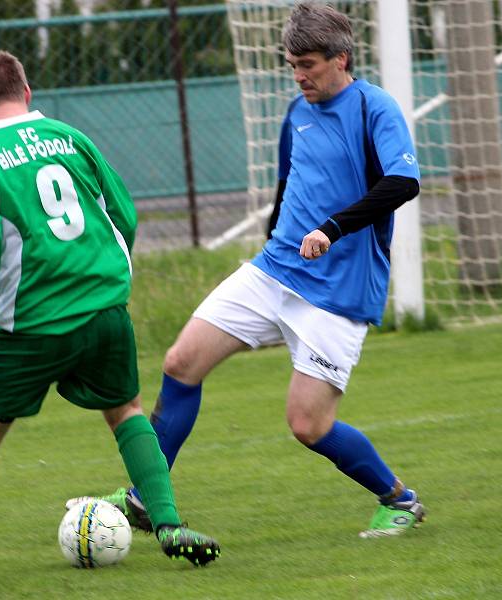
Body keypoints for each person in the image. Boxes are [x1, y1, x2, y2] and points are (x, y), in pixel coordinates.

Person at [67, 1, 424, 539]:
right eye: (293, 65)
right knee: (182, 360)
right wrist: (277, 238)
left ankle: (399, 500)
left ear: (341, 58)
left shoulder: (376, 108)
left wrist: (331, 229)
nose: (299, 75)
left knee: (308, 426)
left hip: (340, 293)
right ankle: (145, 497)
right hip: (274, 271)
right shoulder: (296, 112)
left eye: (309, 64)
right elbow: (288, 186)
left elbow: (402, 184)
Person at [0, 50, 219, 589]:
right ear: (27, 92)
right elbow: (124, 212)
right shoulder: (70, 137)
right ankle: (166, 524)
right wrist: (108, 276)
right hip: (105, 307)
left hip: (35, 323)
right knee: (127, 411)